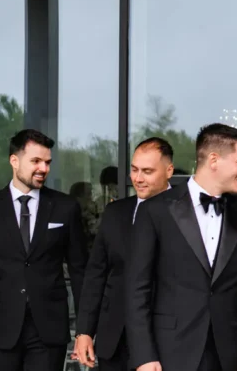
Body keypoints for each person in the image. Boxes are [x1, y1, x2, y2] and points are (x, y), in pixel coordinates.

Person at [125, 123, 237, 371]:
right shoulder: (154, 211)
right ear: (214, 160)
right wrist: (144, 356)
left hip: (233, 355)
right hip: (169, 354)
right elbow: (136, 290)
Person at [0, 129, 87, 371]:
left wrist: (85, 330)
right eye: (36, 161)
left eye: (47, 162)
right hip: (1, 326)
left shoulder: (65, 207)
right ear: (14, 160)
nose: (43, 168)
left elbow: (80, 271)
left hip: (49, 328)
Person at [75, 138, 175, 371]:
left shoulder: (186, 212)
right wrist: (85, 331)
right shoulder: (115, 212)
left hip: (165, 340)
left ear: (169, 170)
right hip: (115, 338)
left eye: (147, 171)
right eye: (134, 169)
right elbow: (96, 274)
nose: (138, 178)